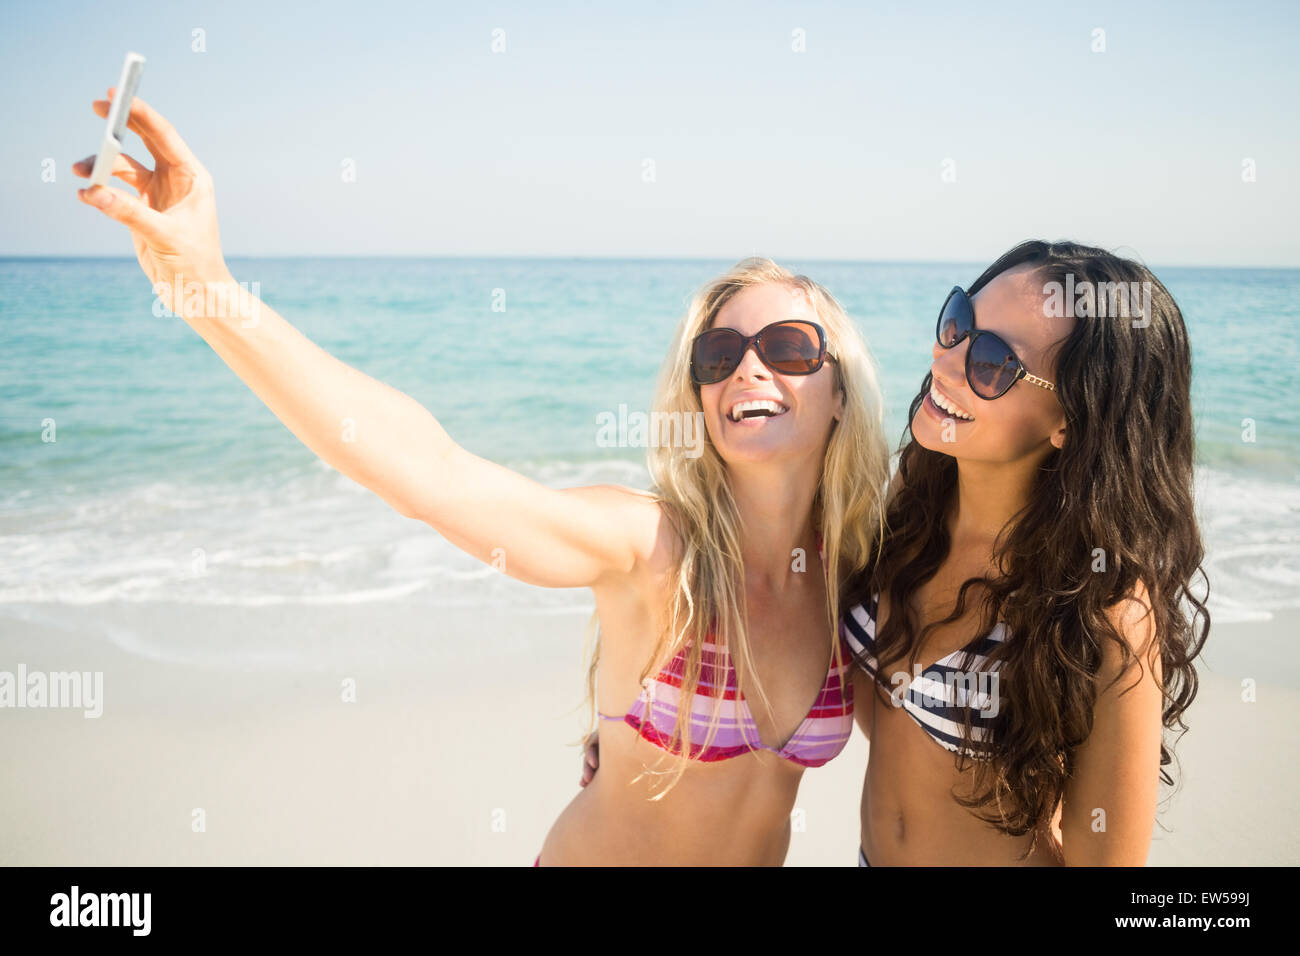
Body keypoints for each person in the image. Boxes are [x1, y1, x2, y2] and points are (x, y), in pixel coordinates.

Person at [73, 90, 891, 866]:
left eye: (787, 347)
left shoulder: (848, 577)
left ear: (839, 390)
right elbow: (431, 474)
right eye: (720, 356)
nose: (750, 369)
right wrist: (206, 292)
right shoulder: (651, 550)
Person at [848, 240, 1210, 865]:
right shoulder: (911, 510)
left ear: (1072, 418)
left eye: (992, 361)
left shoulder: (1106, 612)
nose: (947, 360)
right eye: (959, 322)